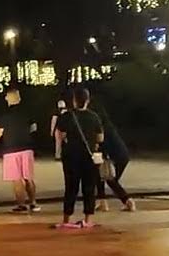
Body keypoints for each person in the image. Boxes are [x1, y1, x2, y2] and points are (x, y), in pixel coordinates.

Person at [53, 87, 104, 230]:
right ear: (87, 100)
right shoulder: (94, 117)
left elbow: (61, 135)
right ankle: (88, 219)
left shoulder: (67, 116)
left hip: (71, 156)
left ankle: (66, 219)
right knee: (89, 187)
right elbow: (100, 138)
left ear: (74, 100)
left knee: (71, 187)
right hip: (89, 157)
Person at [0, 87, 40, 213]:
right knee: (29, 178)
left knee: (16, 179)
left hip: (10, 150)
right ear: (19, 98)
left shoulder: (3, 115)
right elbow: (34, 127)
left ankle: (21, 205)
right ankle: (33, 203)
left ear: (7, 98)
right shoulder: (27, 111)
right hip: (27, 147)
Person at [95, 108, 136, 212]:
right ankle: (105, 203)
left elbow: (102, 143)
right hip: (123, 156)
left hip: (114, 157)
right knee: (107, 179)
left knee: (107, 179)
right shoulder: (109, 127)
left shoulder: (101, 128)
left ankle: (127, 201)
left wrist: (101, 156)